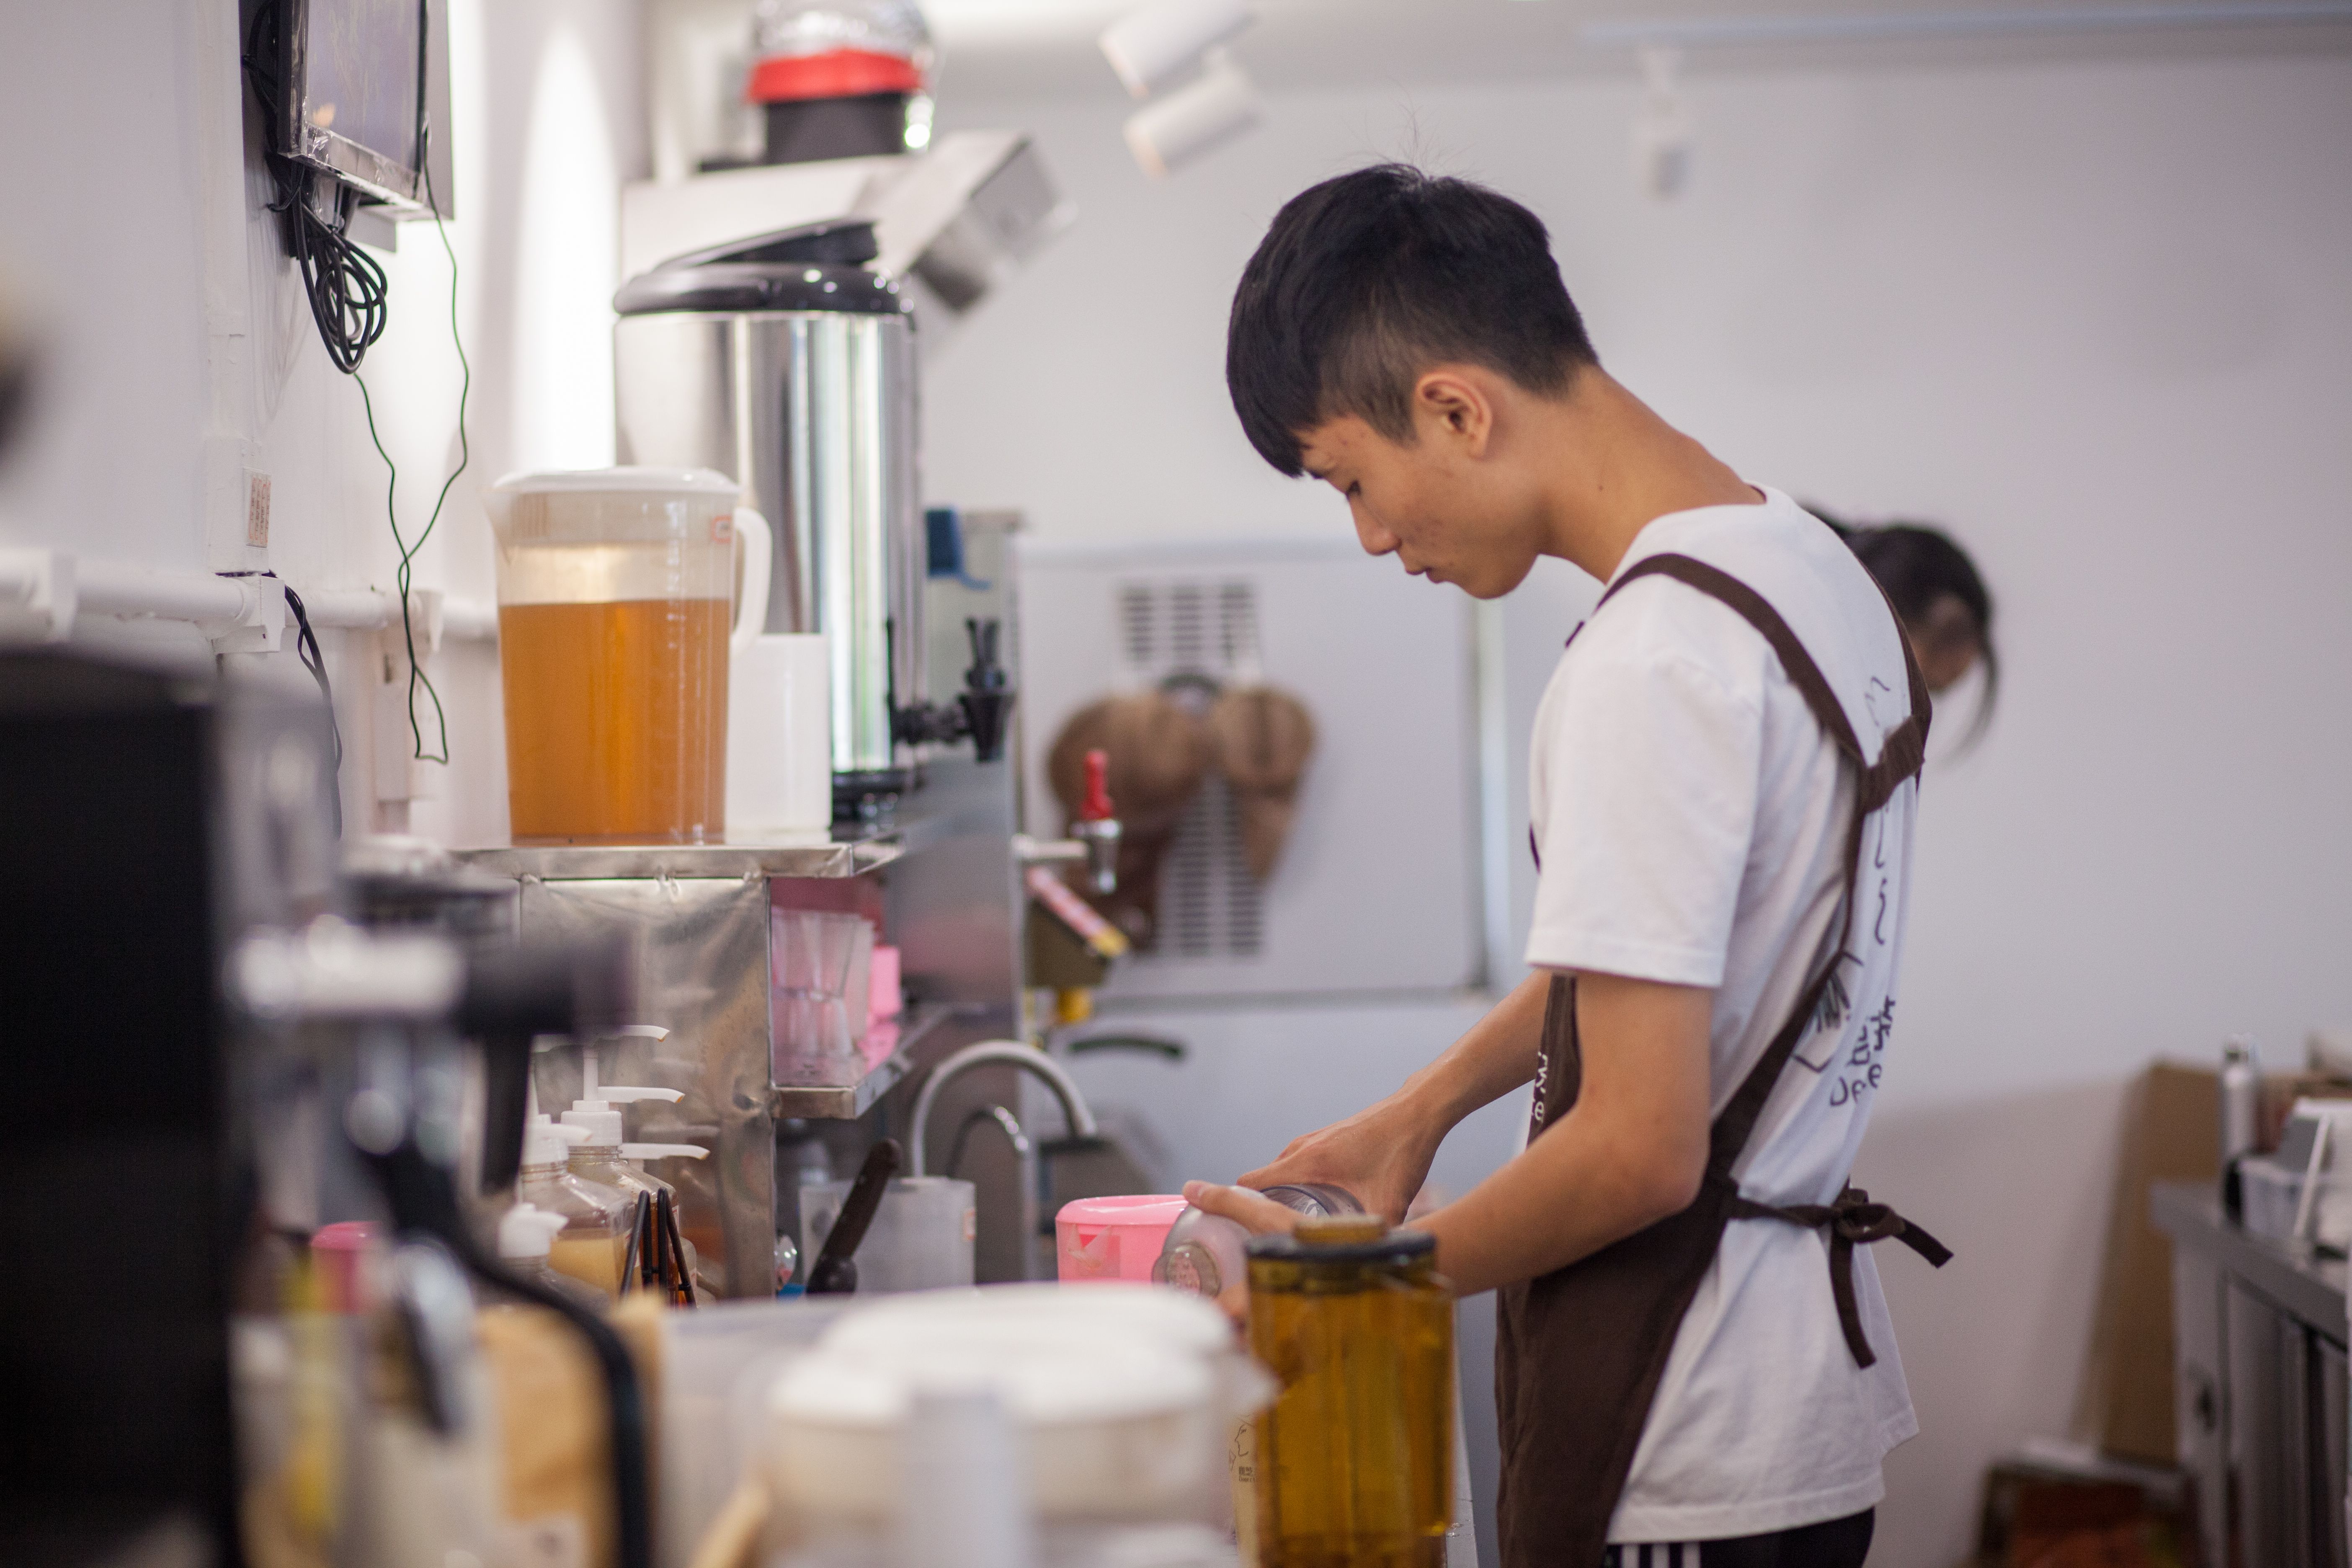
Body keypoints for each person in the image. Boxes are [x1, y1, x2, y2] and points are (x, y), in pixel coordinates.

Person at [1185, 164, 1950, 1568]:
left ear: (1458, 409)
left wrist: (1360, 1285)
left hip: (1684, 1433)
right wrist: (1420, 1114)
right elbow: (1661, 957)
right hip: (1793, 1406)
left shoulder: (1654, 659)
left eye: (1355, 479)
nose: (1369, 536)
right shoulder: (1805, 569)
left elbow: (1642, 1152)